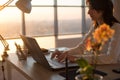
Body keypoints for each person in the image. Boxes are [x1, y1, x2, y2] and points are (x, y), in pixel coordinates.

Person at [51, 0, 120, 64]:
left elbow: (111, 58)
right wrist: (65, 53)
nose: (88, 12)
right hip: (96, 68)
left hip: (110, 71)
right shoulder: (95, 27)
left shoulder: (117, 28)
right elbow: (82, 48)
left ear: (102, 10)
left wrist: (77, 59)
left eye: (92, 8)